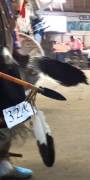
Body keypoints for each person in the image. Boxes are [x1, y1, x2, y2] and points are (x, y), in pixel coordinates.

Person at [0, 0, 33, 178]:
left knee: (16, 109)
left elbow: (9, 31)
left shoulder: (6, 4)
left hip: (6, 63)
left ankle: (3, 160)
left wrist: (16, 54)